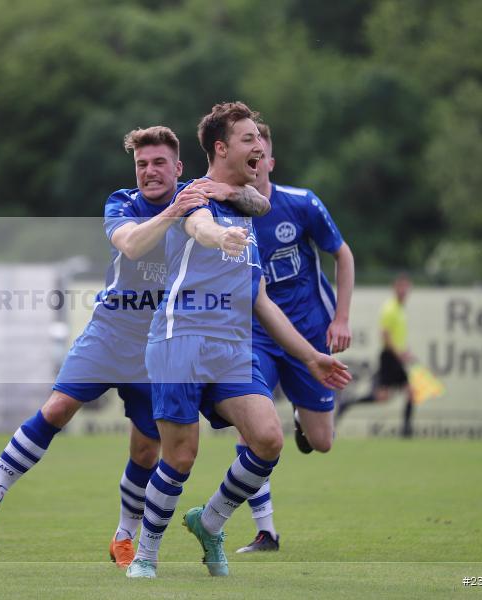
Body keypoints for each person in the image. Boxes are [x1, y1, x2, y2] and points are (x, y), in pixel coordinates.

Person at [0, 126, 269, 568]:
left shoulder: (200, 195)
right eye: (142, 164)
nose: (149, 172)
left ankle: (124, 536)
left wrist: (227, 190)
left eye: (159, 163)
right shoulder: (124, 203)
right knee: (57, 408)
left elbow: (256, 203)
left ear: (178, 167)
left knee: (146, 450)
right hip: (110, 331)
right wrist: (174, 212)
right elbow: (131, 244)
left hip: (158, 342)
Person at [126, 102, 351, 578]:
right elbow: (198, 224)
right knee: (181, 456)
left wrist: (311, 357)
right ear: (222, 148)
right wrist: (215, 237)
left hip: (231, 347)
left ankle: (210, 522)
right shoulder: (196, 195)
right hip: (180, 340)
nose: (259, 147)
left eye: (259, 139)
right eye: (249, 139)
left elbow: (262, 301)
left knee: (269, 438)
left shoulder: (244, 206)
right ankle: (146, 553)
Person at [231, 122, 355, 553]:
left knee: (321, 443)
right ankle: (267, 531)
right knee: (252, 427)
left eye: (259, 152)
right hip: (257, 338)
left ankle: (304, 417)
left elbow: (342, 253)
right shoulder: (227, 213)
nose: (253, 159)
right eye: (246, 150)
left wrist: (340, 319)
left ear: (270, 161)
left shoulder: (301, 203)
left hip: (308, 334)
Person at [337, 273, 414, 437]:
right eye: (400, 287)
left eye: (406, 287)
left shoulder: (400, 309)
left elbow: (397, 335)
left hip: (395, 356)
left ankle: (406, 431)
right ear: (394, 288)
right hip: (389, 357)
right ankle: (347, 403)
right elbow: (385, 334)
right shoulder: (390, 308)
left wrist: (405, 351)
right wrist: (399, 354)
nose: (404, 290)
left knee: (409, 392)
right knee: (382, 396)